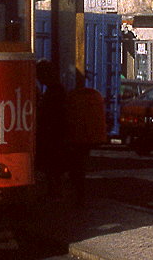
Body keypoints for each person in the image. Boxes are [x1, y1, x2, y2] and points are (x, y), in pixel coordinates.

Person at [63, 70, 106, 206]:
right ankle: (79, 195)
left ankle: (77, 196)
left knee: (76, 168)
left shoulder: (73, 96)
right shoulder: (94, 95)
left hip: (76, 138)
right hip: (88, 138)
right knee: (80, 167)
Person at [35, 60, 67, 198]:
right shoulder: (57, 89)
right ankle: (54, 190)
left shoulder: (54, 91)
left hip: (52, 135)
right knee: (53, 165)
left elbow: (50, 114)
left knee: (52, 165)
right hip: (56, 134)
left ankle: (54, 190)